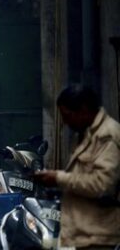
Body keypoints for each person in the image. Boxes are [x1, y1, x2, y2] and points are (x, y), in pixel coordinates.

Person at [34, 85, 120, 249]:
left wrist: (59, 178)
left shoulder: (107, 136)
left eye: (68, 115)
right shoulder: (84, 134)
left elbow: (102, 185)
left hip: (99, 237)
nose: (66, 122)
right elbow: (80, 178)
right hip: (81, 235)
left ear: (84, 109)